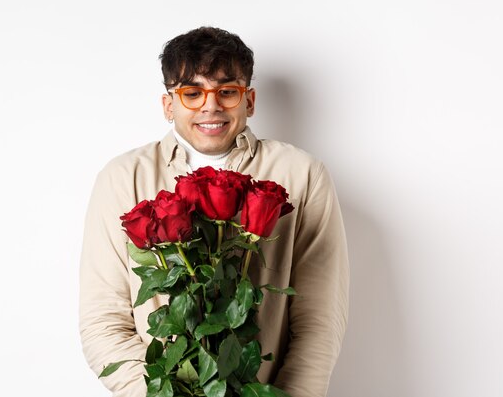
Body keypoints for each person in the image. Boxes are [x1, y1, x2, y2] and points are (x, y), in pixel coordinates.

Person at [79, 26, 349, 397]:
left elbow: (319, 317)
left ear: (249, 100)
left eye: (227, 91)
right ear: (168, 104)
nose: (210, 105)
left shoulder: (301, 175)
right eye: (192, 93)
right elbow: (103, 319)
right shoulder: (123, 178)